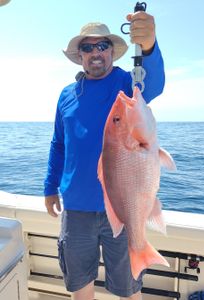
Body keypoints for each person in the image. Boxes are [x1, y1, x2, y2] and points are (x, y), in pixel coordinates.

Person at [44, 10, 165, 300]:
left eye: (102, 46)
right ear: (79, 54)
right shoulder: (66, 95)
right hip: (76, 210)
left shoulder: (127, 85)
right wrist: (50, 187)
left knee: (128, 288)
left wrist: (148, 46)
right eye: (88, 47)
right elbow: (58, 144)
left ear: (112, 50)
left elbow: (155, 84)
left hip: (125, 208)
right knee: (79, 287)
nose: (95, 52)